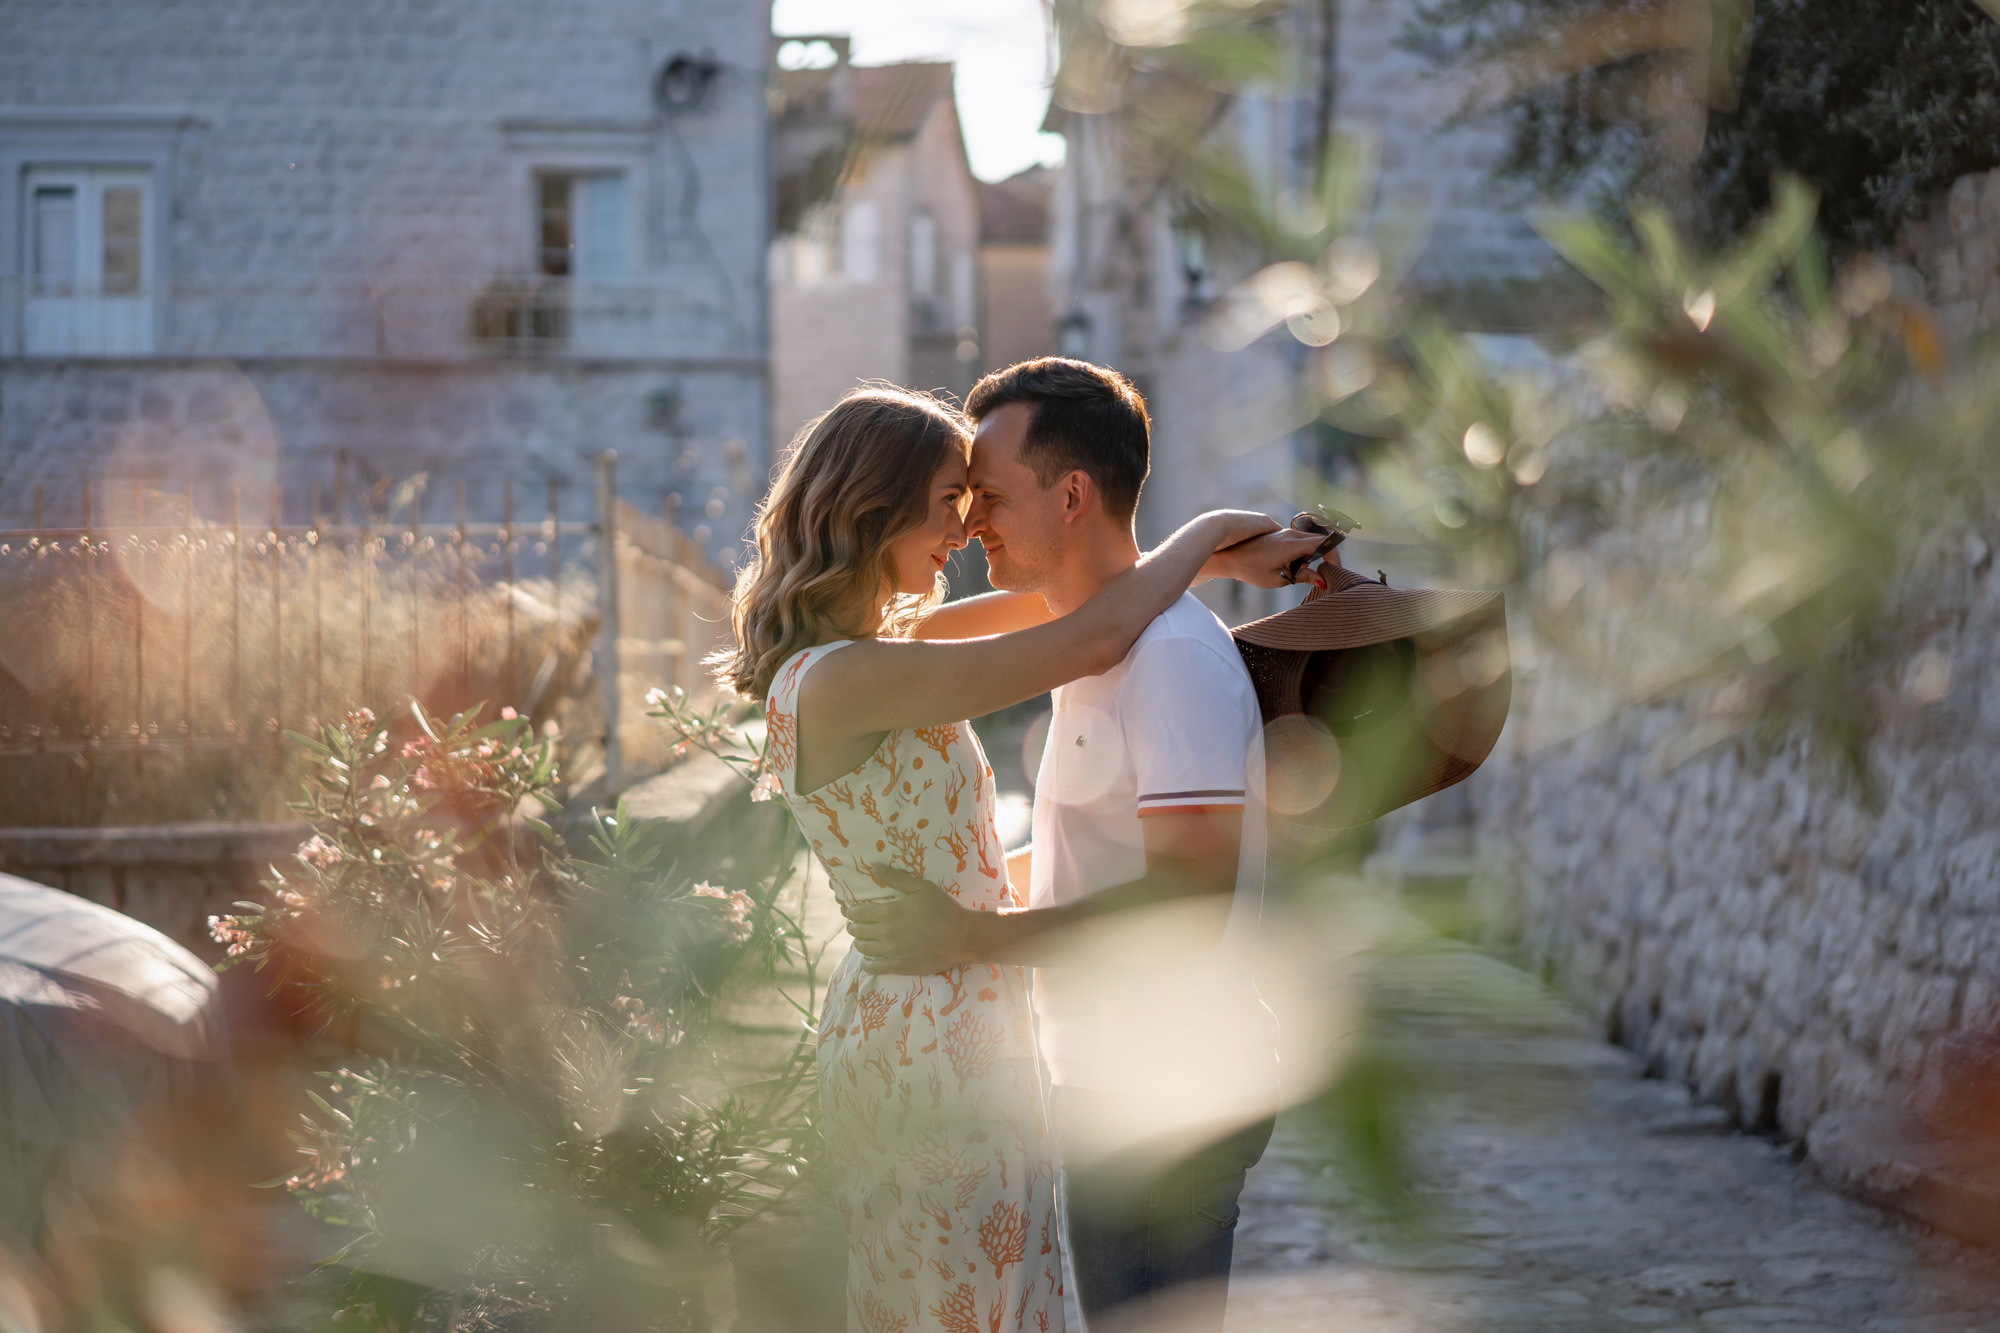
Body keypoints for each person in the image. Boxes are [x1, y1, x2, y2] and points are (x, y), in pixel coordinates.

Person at [710, 383, 1320, 1333]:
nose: (966, 527)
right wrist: (1205, 534)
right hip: (932, 1022)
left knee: (972, 1297)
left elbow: (1063, 610)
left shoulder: (867, 653)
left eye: (980, 497)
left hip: (956, 1009)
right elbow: (1087, 634)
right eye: (955, 499)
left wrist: (1197, 565)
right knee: (958, 1305)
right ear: (876, 505)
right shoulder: (856, 676)